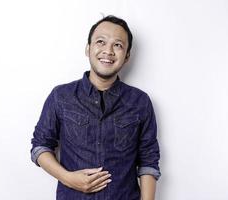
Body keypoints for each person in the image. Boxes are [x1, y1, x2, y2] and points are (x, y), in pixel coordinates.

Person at [30, 15, 161, 200]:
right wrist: (68, 178)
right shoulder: (61, 96)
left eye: (118, 45)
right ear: (88, 48)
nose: (108, 51)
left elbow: (148, 159)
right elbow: (40, 146)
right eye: (101, 42)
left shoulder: (140, 102)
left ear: (127, 56)